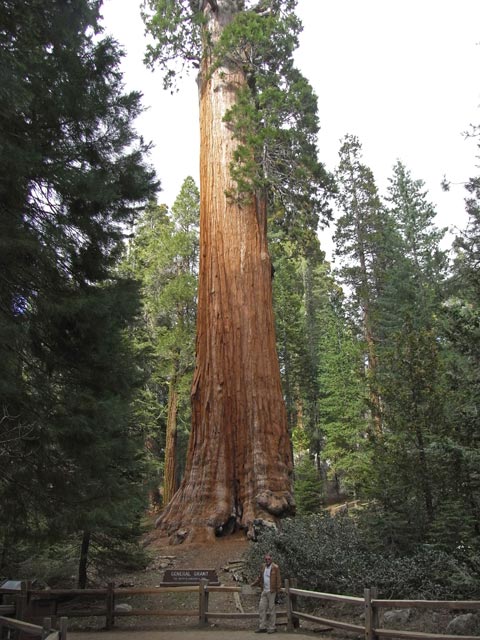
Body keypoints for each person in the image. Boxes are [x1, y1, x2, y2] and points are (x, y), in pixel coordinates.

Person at [251, 552, 282, 634]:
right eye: (266, 559)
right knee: (262, 608)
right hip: (264, 590)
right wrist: (253, 584)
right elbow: (260, 577)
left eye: (269, 559)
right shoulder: (263, 566)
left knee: (271, 609)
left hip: (272, 591)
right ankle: (262, 626)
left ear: (271, 559)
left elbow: (278, 580)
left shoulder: (275, 567)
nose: (267, 560)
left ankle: (272, 627)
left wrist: (278, 592)